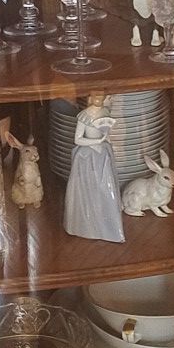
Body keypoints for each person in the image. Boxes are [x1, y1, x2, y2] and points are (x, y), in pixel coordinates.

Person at [63, 94, 125, 242]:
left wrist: (106, 142)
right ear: (91, 97)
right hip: (87, 156)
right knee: (87, 188)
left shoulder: (105, 112)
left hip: (102, 153)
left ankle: (107, 223)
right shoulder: (84, 116)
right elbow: (77, 139)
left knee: (105, 187)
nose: (99, 98)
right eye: (96, 95)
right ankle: (86, 224)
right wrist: (96, 141)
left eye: (101, 96)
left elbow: (107, 133)